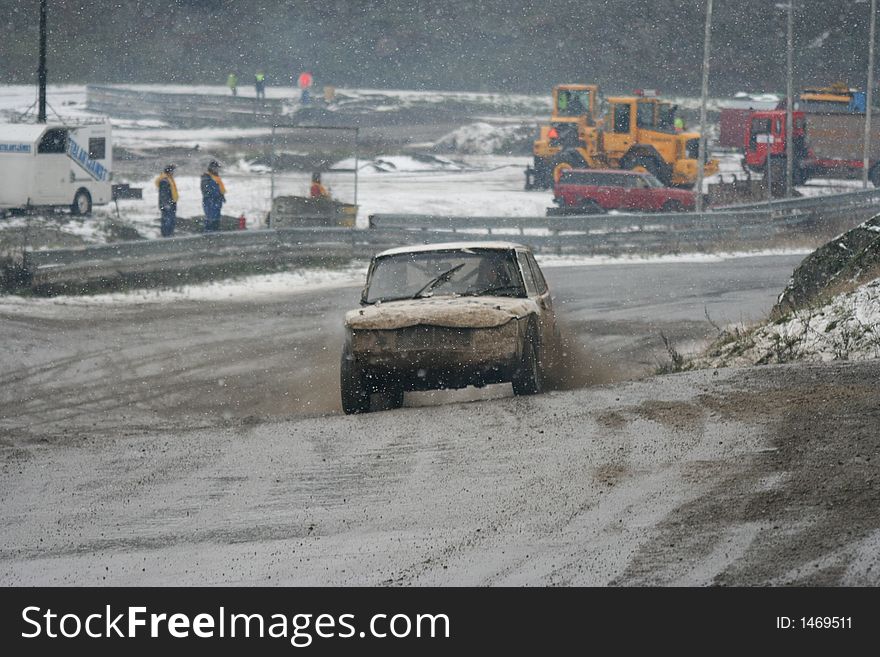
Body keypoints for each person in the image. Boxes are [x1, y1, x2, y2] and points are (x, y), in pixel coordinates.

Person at [201, 160, 226, 232]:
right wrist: (212, 197)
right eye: (216, 168)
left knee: (216, 216)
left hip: (217, 200)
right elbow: (206, 190)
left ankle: (216, 231)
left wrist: (221, 196)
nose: (217, 169)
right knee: (210, 216)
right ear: (212, 168)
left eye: (217, 168)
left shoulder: (215, 176)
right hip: (210, 200)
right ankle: (208, 232)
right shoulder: (206, 177)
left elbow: (219, 188)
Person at [155, 163, 178, 238]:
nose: (173, 172)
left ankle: (169, 235)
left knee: (170, 220)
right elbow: (163, 194)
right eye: (172, 170)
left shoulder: (169, 179)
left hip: (171, 203)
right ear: (169, 171)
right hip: (167, 204)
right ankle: (166, 235)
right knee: (167, 220)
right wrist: (166, 204)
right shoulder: (165, 181)